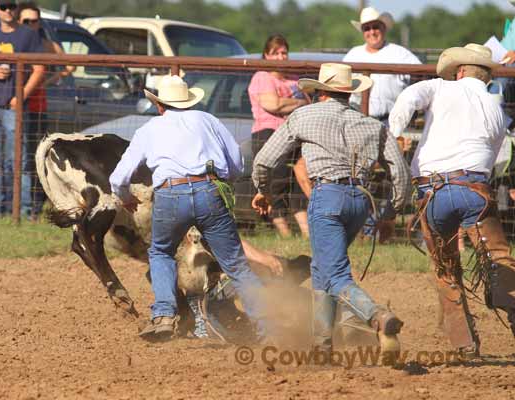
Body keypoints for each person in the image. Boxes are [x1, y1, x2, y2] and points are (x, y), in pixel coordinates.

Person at [251, 63, 410, 352]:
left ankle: (377, 316)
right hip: (361, 201)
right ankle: (322, 344)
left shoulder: (303, 116)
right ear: (348, 94)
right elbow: (400, 172)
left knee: (335, 274)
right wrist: (390, 214)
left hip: (327, 196)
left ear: (320, 92)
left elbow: (264, 160)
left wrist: (263, 191)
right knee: (323, 267)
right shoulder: (372, 125)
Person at [109, 75, 268, 341]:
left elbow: (118, 178)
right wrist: (221, 178)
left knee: (161, 252)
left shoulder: (149, 129)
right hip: (209, 191)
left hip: (170, 195)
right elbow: (238, 163)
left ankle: (164, 315)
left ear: (160, 106)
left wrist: (124, 197)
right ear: (188, 101)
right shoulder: (208, 120)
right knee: (236, 266)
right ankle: (269, 325)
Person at [389, 43, 515, 357]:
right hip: (475, 190)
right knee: (499, 258)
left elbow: (408, 97)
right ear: (485, 76)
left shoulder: (440, 87)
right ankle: (502, 292)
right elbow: (495, 156)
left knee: (446, 269)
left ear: (459, 71)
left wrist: (394, 134)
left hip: (432, 192)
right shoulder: (495, 108)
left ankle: (464, 344)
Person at [343, 6, 421, 243]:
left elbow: (420, 79)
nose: (372, 31)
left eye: (375, 27)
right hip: (360, 118)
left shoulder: (401, 55)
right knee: (358, 173)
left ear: (383, 28)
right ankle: (368, 229)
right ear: (363, 31)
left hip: (392, 121)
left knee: (398, 171)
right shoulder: (353, 54)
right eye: (367, 28)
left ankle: (385, 222)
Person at [0, 0, 44, 218]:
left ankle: (22, 211)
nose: (8, 11)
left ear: (16, 9)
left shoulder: (28, 36)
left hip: (15, 107)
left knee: (18, 161)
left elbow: (40, 69)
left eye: (11, 6)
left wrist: (20, 96)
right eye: (3, 7)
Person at [247, 34, 310, 238]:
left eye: (284, 52)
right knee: (278, 180)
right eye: (275, 53)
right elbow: (273, 105)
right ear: (266, 55)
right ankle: (285, 233)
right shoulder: (261, 77)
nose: (281, 57)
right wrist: (298, 103)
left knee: (297, 182)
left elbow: (308, 103)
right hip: (268, 134)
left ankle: (307, 233)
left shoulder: (294, 78)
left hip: (294, 134)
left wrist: (287, 103)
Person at [17, 1, 75, 218]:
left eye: (35, 21)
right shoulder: (17, 42)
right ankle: (18, 205)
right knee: (15, 158)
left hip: (36, 107)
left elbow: (69, 65)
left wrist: (48, 80)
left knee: (35, 157)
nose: (31, 24)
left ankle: (33, 204)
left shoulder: (44, 44)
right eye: (26, 21)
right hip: (15, 106)